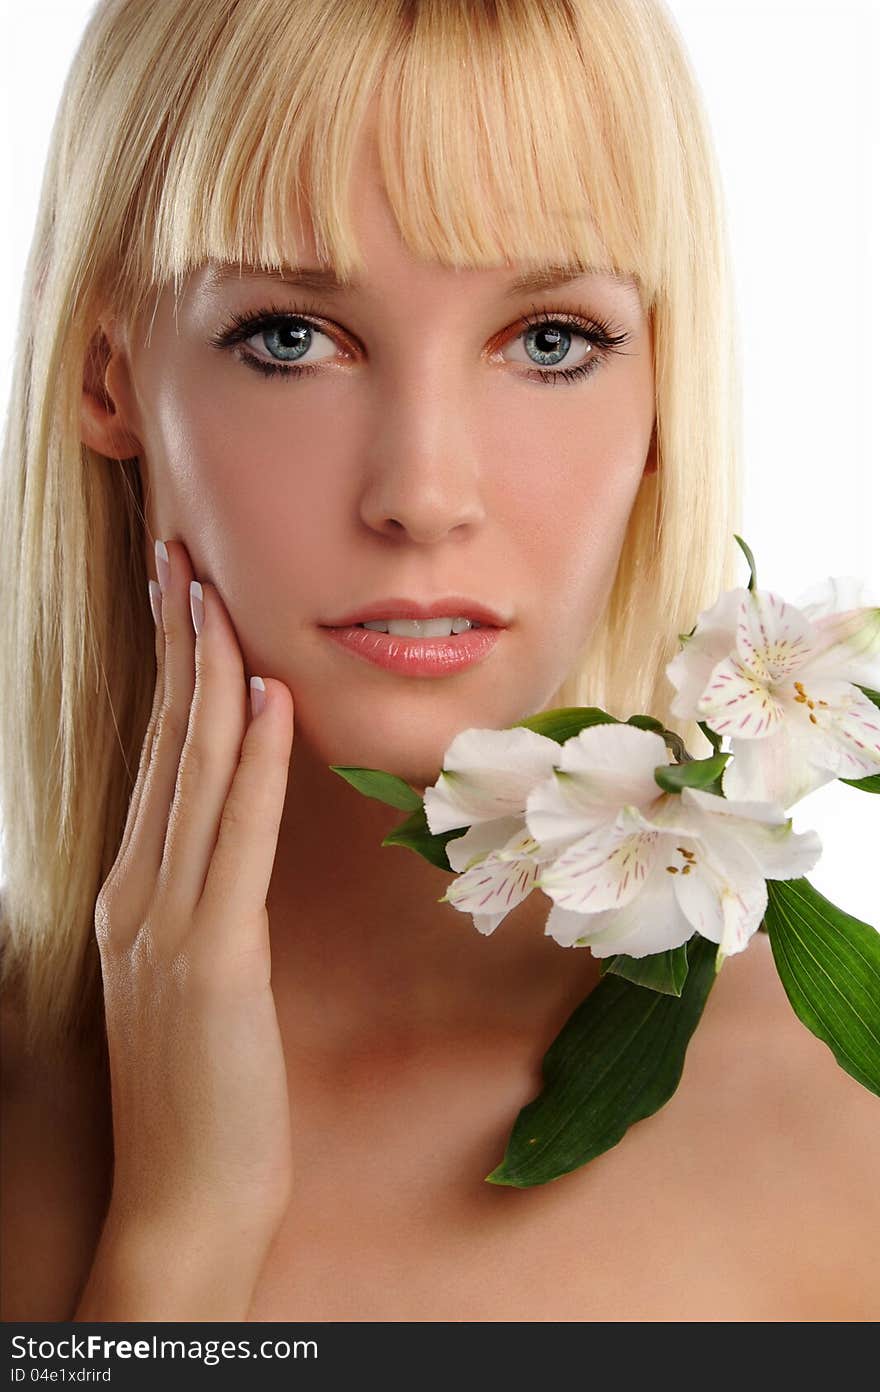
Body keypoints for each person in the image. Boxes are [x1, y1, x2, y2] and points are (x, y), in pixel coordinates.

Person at [1, 0, 876, 1324]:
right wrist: (182, 1236)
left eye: (549, 341)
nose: (423, 492)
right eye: (292, 337)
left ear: (662, 397)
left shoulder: (844, 1145)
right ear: (106, 376)